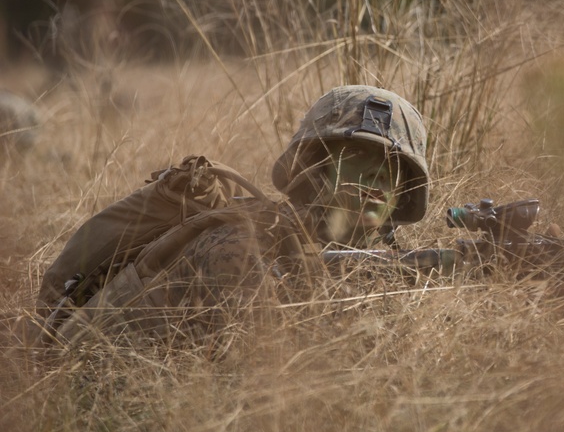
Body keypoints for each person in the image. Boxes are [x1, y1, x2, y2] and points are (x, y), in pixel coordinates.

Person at [27, 85, 429, 348]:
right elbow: (262, 385)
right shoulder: (242, 242)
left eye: (394, 164)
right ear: (316, 168)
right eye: (361, 155)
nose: (379, 174)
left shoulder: (367, 261)